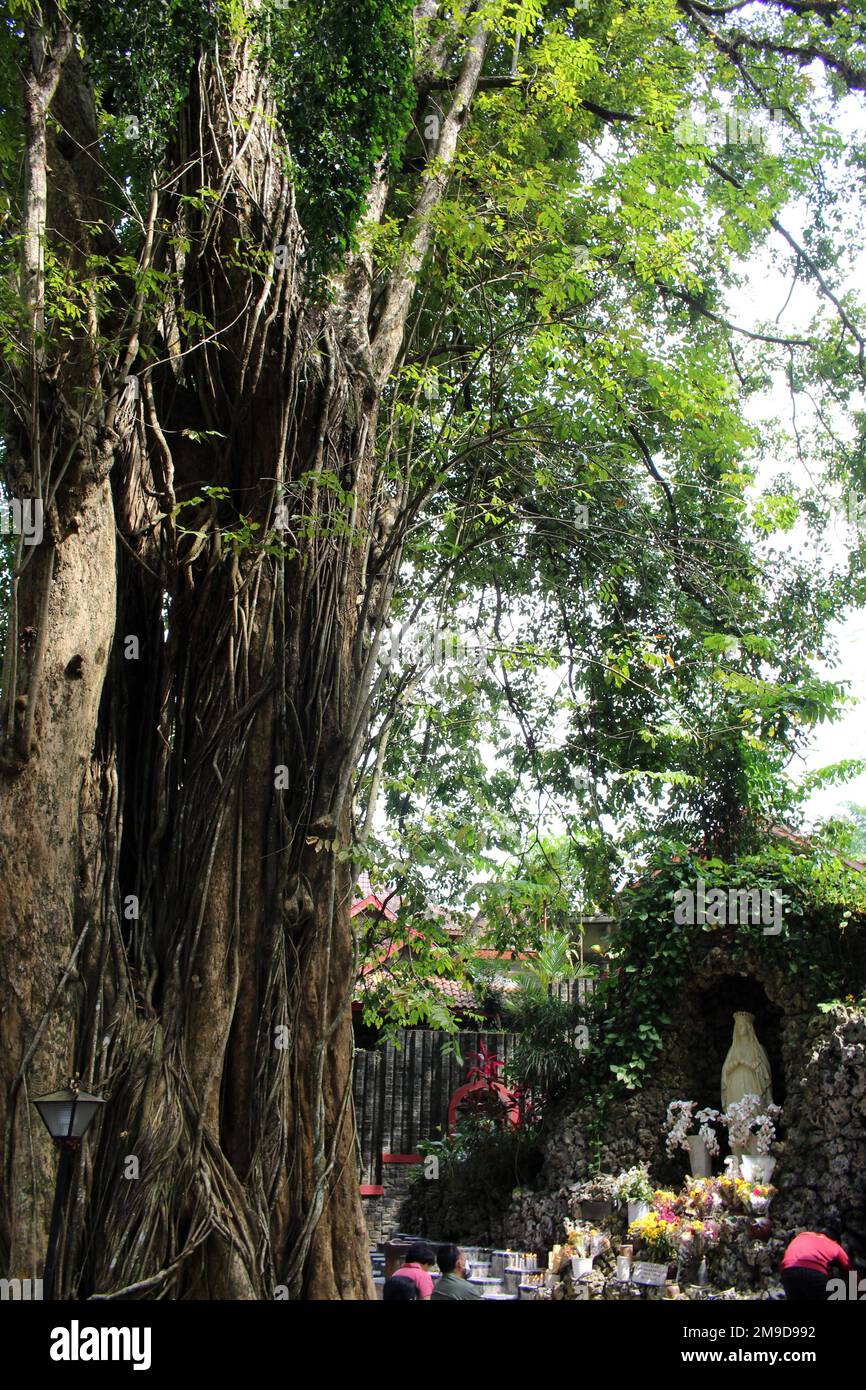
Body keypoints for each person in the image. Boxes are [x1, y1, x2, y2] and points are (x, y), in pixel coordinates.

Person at [780, 1230, 851, 1300]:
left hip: (788, 1272)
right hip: (814, 1272)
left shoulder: (802, 1236)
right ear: (835, 1241)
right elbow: (850, 1272)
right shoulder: (834, 1245)